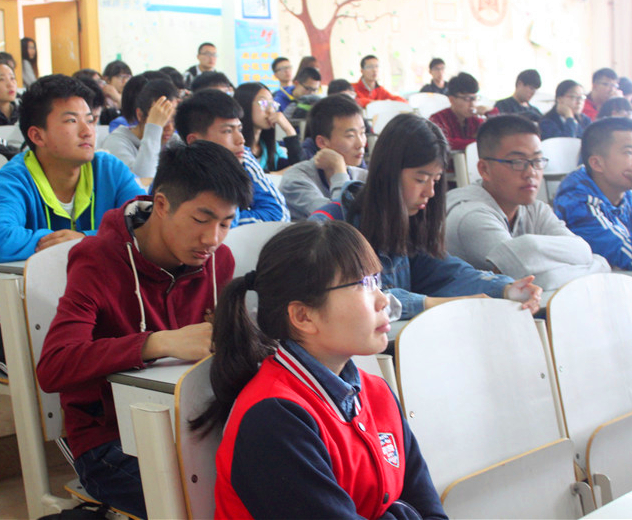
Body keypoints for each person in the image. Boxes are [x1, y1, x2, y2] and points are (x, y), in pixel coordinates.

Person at [37, 141, 253, 520]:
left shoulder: (219, 261)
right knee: (220, 506)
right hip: (110, 440)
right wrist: (157, 343)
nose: (213, 238)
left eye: (225, 223)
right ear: (162, 204)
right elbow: (54, 367)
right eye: (201, 219)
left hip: (197, 424)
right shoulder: (97, 259)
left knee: (273, 483)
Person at [191, 219, 448, 519]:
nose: (383, 300)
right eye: (363, 285)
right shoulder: (273, 418)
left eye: (377, 281)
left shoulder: (376, 392)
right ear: (303, 316)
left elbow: (431, 511)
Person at [0, 74, 146, 374]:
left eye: (90, 119)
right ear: (37, 135)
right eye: (71, 121)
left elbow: (145, 221)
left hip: (96, 310)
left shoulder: (109, 168)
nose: (87, 130)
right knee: (67, 373)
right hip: (21, 316)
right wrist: (69, 243)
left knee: (129, 363)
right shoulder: (12, 179)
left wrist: (85, 239)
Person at [311, 114, 542, 320]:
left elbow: (446, 273)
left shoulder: (406, 221)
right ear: (388, 173)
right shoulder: (329, 228)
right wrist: (431, 304)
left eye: (436, 180)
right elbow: (355, 299)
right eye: (421, 179)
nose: (430, 192)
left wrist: (507, 289)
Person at [445, 115, 610, 291]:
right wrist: (597, 266)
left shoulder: (535, 208)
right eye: (518, 162)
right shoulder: (470, 216)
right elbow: (530, 284)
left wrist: (529, 247)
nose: (531, 172)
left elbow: (583, 251)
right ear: (484, 169)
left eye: (537, 161)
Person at [553, 117, 632, 278]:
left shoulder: (624, 191)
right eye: (628, 153)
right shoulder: (577, 201)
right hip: (590, 288)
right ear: (597, 164)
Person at [174, 89, 290, 226]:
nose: (241, 140)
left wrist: (230, 221)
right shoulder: (175, 172)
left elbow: (279, 215)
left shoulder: (242, 158)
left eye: (239, 129)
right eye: (228, 131)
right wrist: (226, 222)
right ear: (195, 141)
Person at [280, 95, 368, 220]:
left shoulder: (361, 176)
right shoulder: (295, 180)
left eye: (362, 133)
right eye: (350, 135)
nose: (361, 144)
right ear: (322, 142)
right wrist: (339, 170)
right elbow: (337, 220)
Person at [102, 78, 179, 179]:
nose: (170, 127)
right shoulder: (116, 143)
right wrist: (154, 128)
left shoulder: (174, 141)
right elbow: (142, 182)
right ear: (140, 115)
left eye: (173, 119)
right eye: (161, 119)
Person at [234, 82, 303, 173]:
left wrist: (289, 130)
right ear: (245, 105)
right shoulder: (235, 146)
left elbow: (299, 169)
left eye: (272, 104)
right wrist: (275, 174)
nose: (270, 110)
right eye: (264, 103)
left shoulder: (269, 147)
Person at [429, 72, 489, 151]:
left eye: (474, 98)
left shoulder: (476, 120)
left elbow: (494, 138)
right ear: (451, 100)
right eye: (467, 99)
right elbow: (444, 143)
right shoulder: (437, 119)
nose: (472, 104)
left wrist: (489, 113)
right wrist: (478, 142)